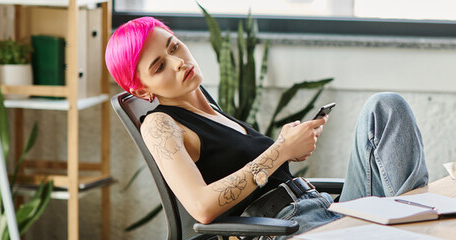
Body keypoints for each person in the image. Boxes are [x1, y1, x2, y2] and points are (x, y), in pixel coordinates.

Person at [105, 17, 429, 238]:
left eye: (174, 46)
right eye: (159, 66)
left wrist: (292, 144)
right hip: (288, 228)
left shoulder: (212, 109)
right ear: (142, 91)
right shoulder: (161, 123)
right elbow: (201, 208)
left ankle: (424, 215)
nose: (178, 61)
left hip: (326, 208)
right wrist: (281, 149)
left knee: (385, 106)